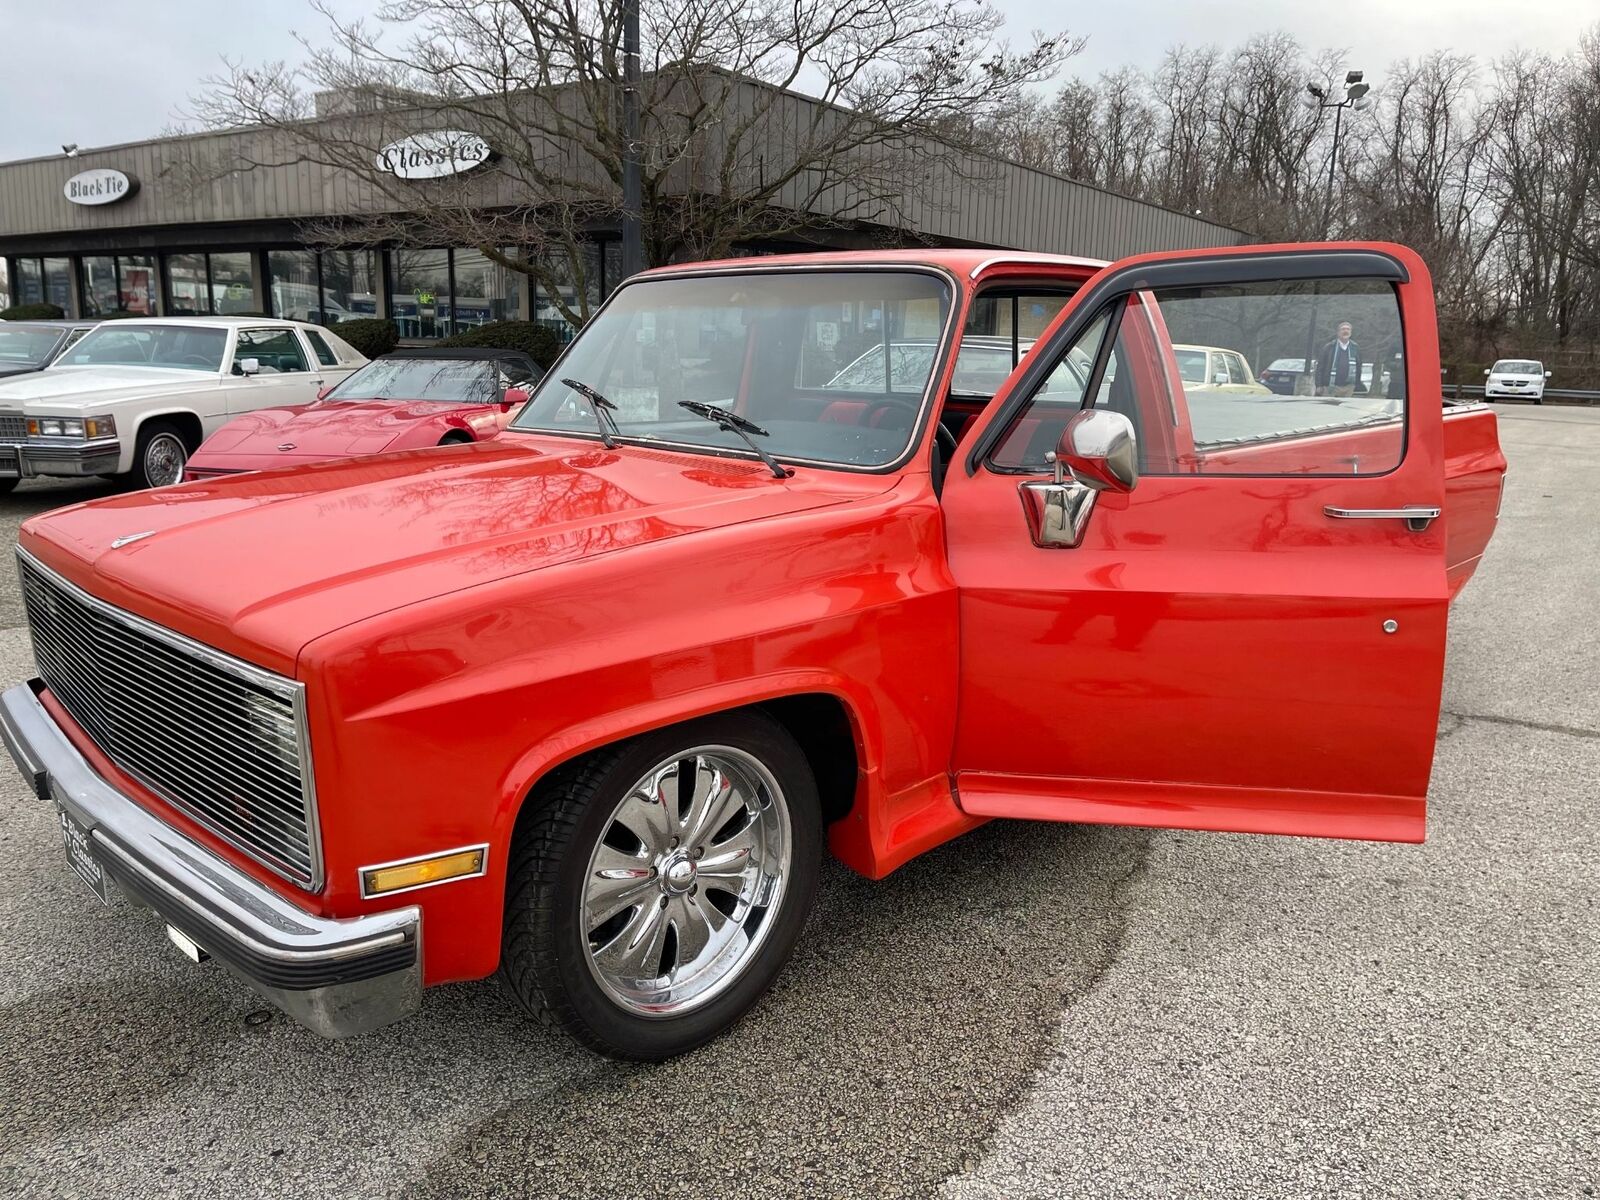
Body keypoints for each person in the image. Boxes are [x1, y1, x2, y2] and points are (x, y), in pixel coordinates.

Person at [1316, 321, 1362, 396]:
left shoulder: (1355, 348)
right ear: (1338, 332)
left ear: (1351, 332)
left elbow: (1359, 367)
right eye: (1343, 329)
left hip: (1349, 387)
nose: (1346, 331)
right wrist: (1319, 385)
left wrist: (1357, 384)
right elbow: (1320, 367)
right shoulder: (1329, 347)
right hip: (1330, 387)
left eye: (1348, 329)